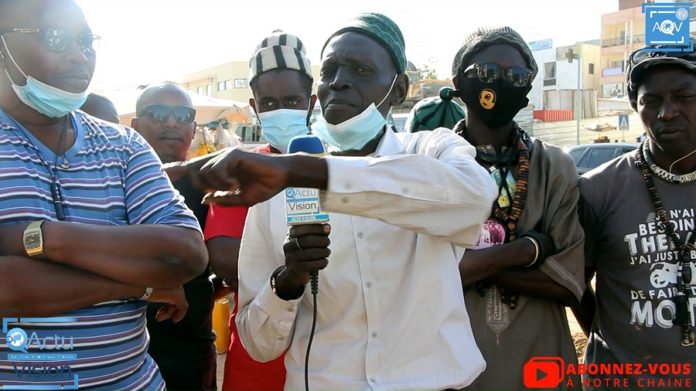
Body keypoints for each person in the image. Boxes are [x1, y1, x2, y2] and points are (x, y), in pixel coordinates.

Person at [196, 13, 498, 391]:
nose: (339, 82)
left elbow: (472, 199)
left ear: (399, 88)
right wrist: (287, 282)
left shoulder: (430, 149)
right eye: (330, 70)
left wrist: (319, 175)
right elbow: (257, 344)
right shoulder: (276, 186)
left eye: (360, 69)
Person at [0, 1, 207, 389]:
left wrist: (43, 237)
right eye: (56, 38)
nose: (79, 56)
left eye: (86, 41)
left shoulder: (124, 145)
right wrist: (136, 284)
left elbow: (184, 253)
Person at [449, 27, 585, 390]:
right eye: (487, 72)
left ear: (526, 92)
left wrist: (468, 266)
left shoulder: (554, 166)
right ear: (458, 84)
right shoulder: (432, 163)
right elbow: (414, 276)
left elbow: (567, 285)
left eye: (518, 77)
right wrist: (527, 250)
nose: (502, 83)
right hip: (449, 363)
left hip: (540, 362)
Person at [575, 43, 696, 388]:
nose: (667, 112)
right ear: (635, 107)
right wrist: (614, 344)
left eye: (684, 96)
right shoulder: (597, 190)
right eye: (651, 101)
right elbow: (574, 284)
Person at [203, 31, 316, 391]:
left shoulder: (335, 166)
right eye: (268, 102)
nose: (280, 109)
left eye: (292, 99)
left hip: (327, 356)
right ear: (254, 106)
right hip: (259, 359)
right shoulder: (243, 170)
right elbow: (225, 261)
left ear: (311, 102)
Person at [130, 82, 217, 391]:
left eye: (183, 115)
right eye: (158, 113)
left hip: (190, 352)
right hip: (121, 352)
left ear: (193, 129)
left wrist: (200, 294)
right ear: (135, 125)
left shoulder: (213, 187)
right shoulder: (109, 183)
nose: (171, 123)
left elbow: (232, 268)